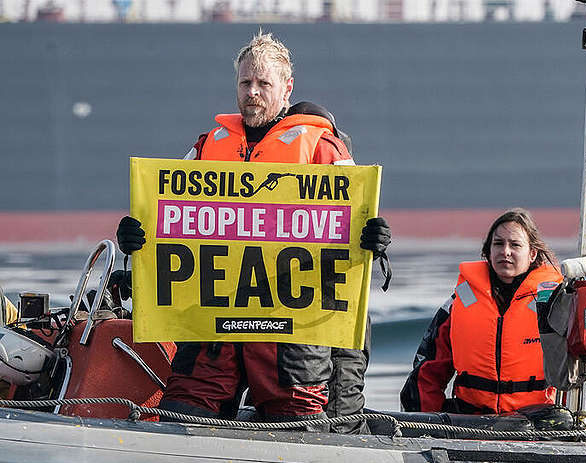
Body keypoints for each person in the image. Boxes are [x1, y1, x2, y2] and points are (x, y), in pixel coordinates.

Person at [117, 31, 390, 431]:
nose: (253, 93)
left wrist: (375, 236)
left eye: (264, 84)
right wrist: (136, 234)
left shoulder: (320, 147)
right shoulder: (209, 145)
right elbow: (165, 211)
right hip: (214, 319)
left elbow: (357, 218)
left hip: (289, 325)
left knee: (297, 423)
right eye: (246, 83)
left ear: (286, 88)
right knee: (183, 414)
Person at [400, 208, 562, 415]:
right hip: (471, 421)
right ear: (488, 251)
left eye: (515, 245)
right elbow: (428, 372)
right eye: (498, 244)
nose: (505, 251)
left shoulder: (554, 301)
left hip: (535, 422)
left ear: (532, 254)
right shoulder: (461, 300)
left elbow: (580, 368)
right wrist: (424, 423)